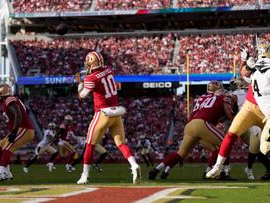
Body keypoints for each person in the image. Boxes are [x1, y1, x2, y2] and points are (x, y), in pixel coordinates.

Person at [76, 51, 141, 184]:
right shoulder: (108, 70)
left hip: (102, 113)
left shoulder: (91, 78)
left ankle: (85, 176)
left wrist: (79, 84)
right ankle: (134, 165)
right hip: (116, 112)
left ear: (91, 63)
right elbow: (99, 78)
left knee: (89, 145)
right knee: (121, 144)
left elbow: (82, 95)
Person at [149, 81, 234, 180]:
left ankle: (156, 169)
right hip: (202, 124)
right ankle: (223, 172)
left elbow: (211, 112)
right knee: (226, 144)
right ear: (218, 90)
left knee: (180, 153)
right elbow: (228, 113)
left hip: (189, 126)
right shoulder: (222, 97)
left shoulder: (201, 98)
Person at [206, 45, 269, 179]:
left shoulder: (259, 67)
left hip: (265, 111)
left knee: (259, 147)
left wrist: (247, 60)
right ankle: (218, 167)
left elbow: (246, 73)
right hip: (250, 108)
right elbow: (245, 72)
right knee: (231, 135)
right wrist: (246, 60)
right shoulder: (255, 69)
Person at [0, 84, 35, 181]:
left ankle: (1, 172)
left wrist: (14, 132)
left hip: (24, 129)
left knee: (8, 147)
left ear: (3, 92)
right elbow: (24, 111)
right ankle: (7, 173)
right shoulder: (7, 101)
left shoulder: (9, 99)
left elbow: (18, 114)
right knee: (1, 144)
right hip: (20, 128)